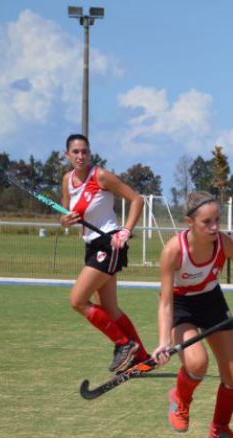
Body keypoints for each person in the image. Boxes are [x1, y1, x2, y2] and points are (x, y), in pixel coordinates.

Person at [152, 191, 233, 438]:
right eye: (206, 222)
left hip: (211, 301)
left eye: (217, 220)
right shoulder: (173, 250)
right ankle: (180, 398)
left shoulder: (225, 244)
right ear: (189, 222)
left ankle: (220, 429)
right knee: (197, 363)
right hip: (181, 305)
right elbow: (166, 302)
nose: (214, 227)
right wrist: (162, 342)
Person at [59, 133, 151, 373]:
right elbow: (64, 213)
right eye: (75, 152)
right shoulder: (67, 179)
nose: (81, 156)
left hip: (109, 243)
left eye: (85, 151)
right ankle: (141, 357)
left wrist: (126, 231)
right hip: (91, 244)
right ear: (67, 155)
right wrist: (65, 220)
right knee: (110, 308)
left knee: (77, 300)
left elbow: (137, 200)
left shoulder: (100, 176)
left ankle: (123, 344)